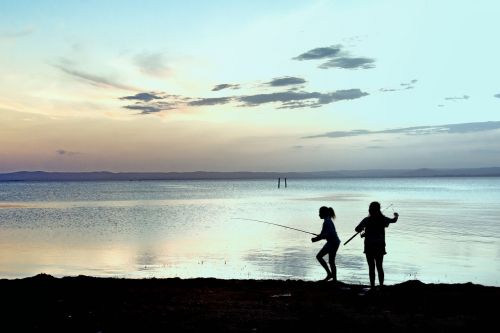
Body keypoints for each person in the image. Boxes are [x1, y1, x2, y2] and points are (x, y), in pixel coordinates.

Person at [355, 201, 399, 289]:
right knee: (379, 266)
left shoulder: (366, 220)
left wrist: (362, 229)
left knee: (371, 267)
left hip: (369, 246)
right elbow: (393, 220)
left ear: (370, 209)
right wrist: (396, 215)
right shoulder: (383, 219)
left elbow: (357, 229)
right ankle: (381, 286)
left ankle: (372, 287)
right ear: (379, 209)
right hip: (380, 245)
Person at [311, 206, 341, 282]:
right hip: (334, 242)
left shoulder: (327, 222)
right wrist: (318, 237)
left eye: (319, 213)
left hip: (332, 242)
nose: (319, 215)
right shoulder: (328, 221)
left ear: (323, 213)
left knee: (319, 256)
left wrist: (315, 239)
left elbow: (325, 235)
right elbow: (325, 234)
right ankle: (334, 279)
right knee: (331, 261)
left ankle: (330, 275)